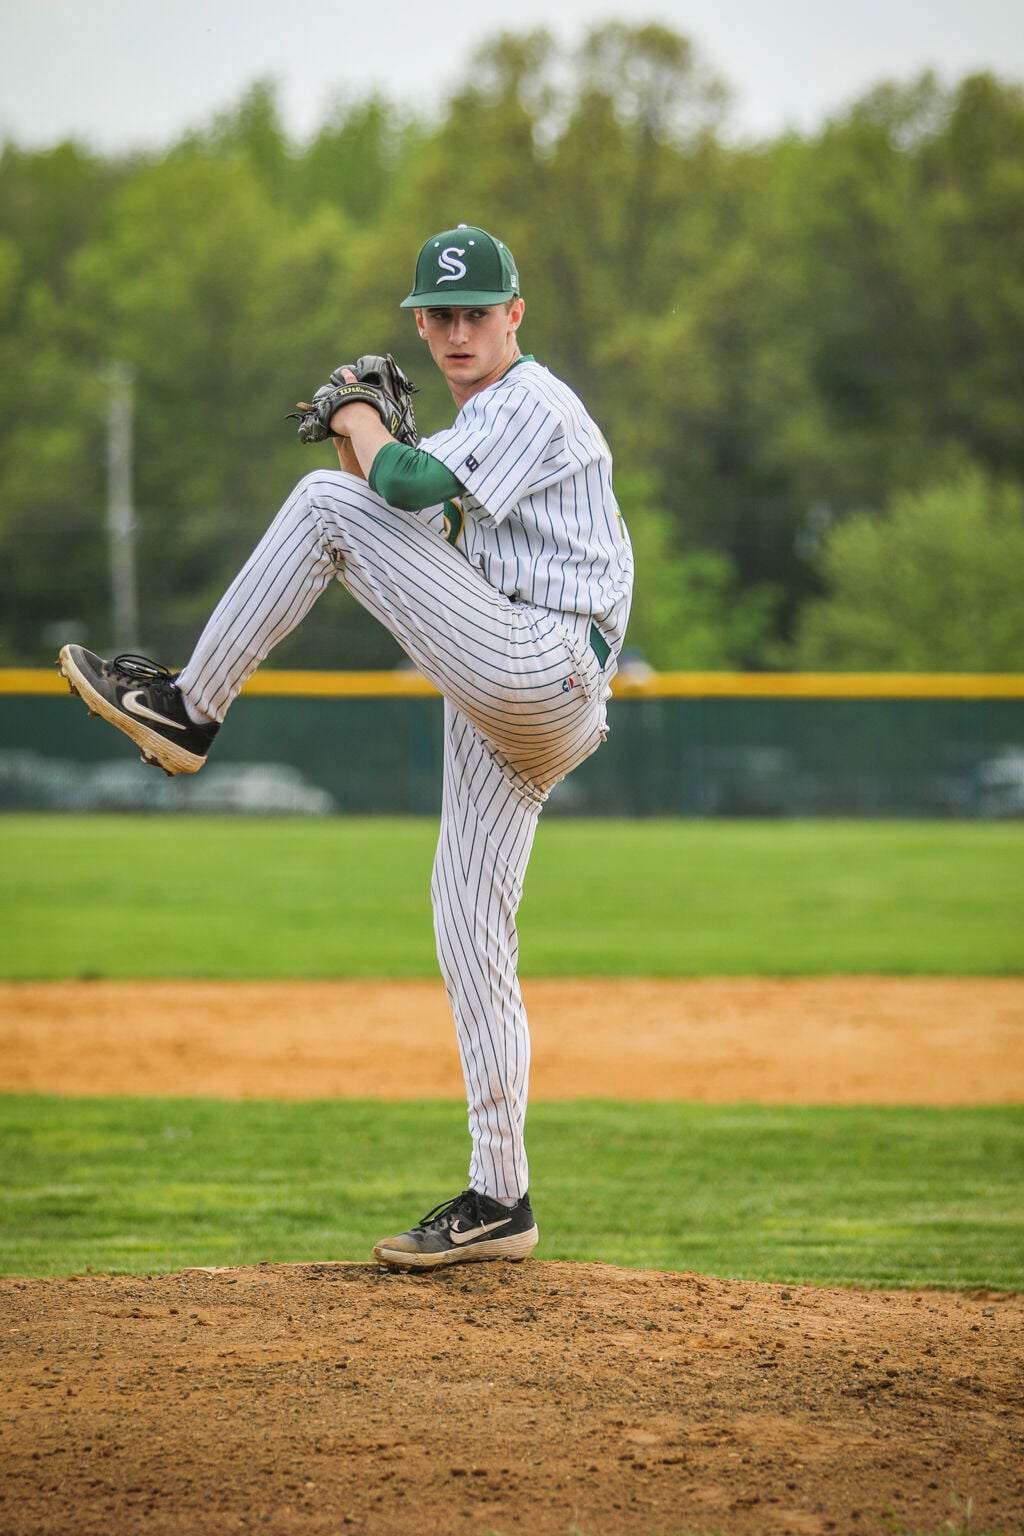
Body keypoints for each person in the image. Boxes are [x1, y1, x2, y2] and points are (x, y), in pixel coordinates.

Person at [58, 223, 634, 1270]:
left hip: (543, 662)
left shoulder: (531, 401)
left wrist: (357, 417)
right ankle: (500, 1196)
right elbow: (407, 510)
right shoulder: (479, 424)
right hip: (513, 686)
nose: (457, 332)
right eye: (440, 316)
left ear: (515, 315)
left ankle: (189, 707)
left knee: (326, 503)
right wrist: (357, 438)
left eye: (477, 312)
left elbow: (396, 489)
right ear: (422, 324)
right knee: (468, 927)